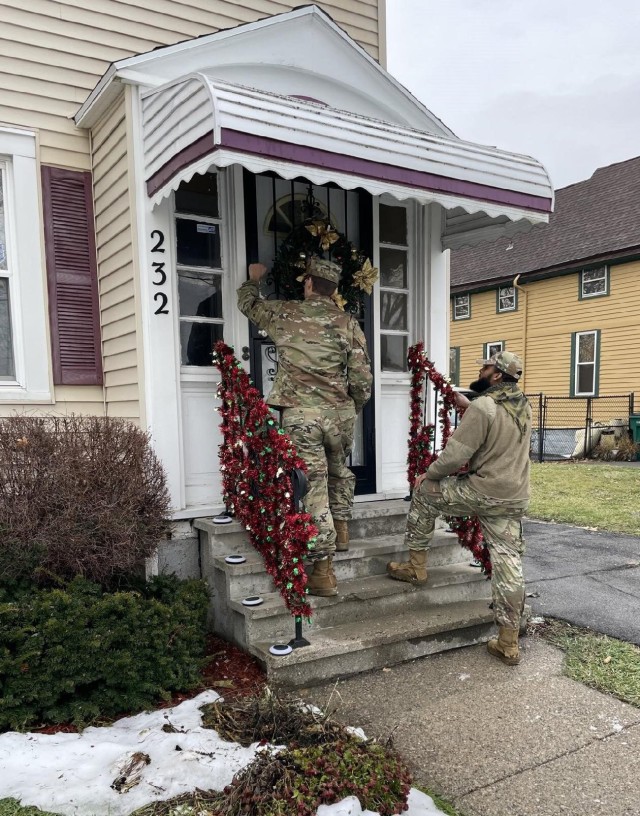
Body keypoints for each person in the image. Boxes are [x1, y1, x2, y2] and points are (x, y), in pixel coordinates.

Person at [237, 258, 372, 597]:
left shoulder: (285, 313)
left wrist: (254, 279)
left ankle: (323, 571)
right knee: (339, 469)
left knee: (313, 486)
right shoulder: (348, 323)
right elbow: (362, 379)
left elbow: (248, 304)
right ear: (336, 289)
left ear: (309, 283)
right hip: (339, 414)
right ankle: (341, 531)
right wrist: (350, 407)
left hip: (301, 416)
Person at [387, 351, 532, 665]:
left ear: (496, 375)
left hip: (482, 491)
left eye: (486, 366)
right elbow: (496, 422)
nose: (481, 369)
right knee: (508, 564)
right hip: (513, 496)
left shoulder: (485, 407)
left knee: (425, 491)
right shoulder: (521, 403)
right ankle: (508, 642)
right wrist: (469, 408)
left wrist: (430, 474)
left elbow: (455, 455)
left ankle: (416, 566)